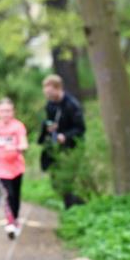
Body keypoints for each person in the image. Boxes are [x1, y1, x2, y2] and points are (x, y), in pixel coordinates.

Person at [37, 74, 86, 208]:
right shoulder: (50, 105)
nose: (48, 96)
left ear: (58, 88)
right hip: (56, 148)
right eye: (46, 93)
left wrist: (65, 136)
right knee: (56, 180)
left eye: (50, 92)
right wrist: (50, 128)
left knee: (67, 179)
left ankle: (74, 207)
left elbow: (81, 128)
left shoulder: (72, 105)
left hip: (72, 148)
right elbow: (50, 121)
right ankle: (72, 206)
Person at [0, 97, 28, 240]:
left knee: (15, 195)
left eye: (8, 111)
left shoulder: (18, 126)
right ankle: (10, 222)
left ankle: (15, 219)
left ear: (13, 112)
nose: (5, 114)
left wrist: (20, 146)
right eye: (2, 111)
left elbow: (23, 142)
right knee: (7, 194)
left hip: (16, 167)